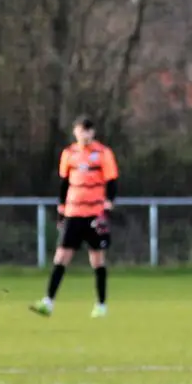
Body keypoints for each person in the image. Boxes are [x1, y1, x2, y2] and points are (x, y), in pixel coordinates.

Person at [30, 115, 119, 318]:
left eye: (88, 130)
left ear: (93, 132)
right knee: (61, 257)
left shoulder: (103, 153)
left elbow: (112, 181)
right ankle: (48, 302)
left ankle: (101, 305)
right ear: (75, 132)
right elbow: (64, 184)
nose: (84, 134)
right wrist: (61, 210)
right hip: (73, 214)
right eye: (81, 130)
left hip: (94, 214)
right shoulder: (69, 153)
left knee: (97, 260)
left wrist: (107, 207)